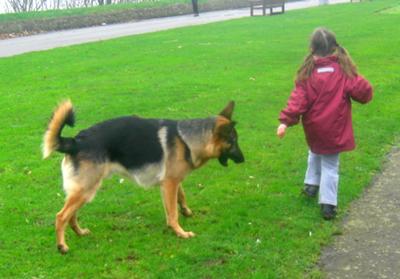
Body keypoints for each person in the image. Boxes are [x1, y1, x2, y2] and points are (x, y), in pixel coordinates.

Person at [276, 27, 373, 220]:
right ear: (334, 47)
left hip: (315, 130)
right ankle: (328, 205)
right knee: (330, 165)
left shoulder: (308, 73)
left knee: (315, 152)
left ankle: (311, 185)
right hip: (335, 130)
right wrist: (355, 74)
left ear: (312, 47)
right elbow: (364, 92)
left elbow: (297, 100)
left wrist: (285, 122)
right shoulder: (344, 72)